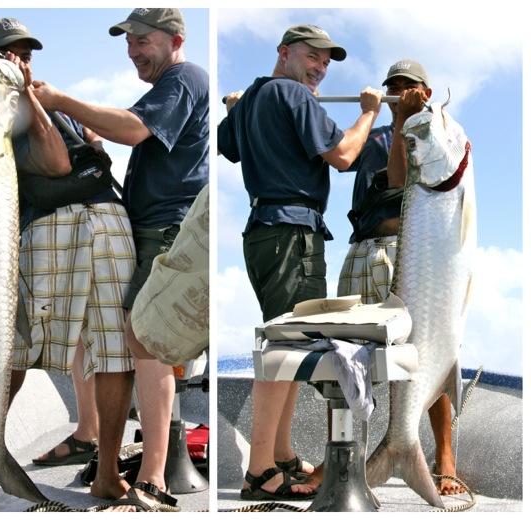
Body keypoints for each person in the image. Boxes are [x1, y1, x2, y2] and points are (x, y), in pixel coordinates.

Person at [0, 17, 136, 502]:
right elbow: (54, 162)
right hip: (51, 221)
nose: (21, 62)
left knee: (116, 348)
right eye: (10, 54)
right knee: (15, 347)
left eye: (27, 54)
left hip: (109, 217)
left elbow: (93, 150)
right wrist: (26, 92)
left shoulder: (49, 101)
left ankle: (108, 472)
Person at [31, 8, 209, 511]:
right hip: (143, 224)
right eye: (127, 42)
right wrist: (90, 137)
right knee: (99, 326)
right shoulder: (168, 85)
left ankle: (154, 475)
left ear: (176, 39)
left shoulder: (184, 78)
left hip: (167, 226)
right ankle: (88, 432)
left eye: (142, 40)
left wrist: (62, 101)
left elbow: (132, 130)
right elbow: (133, 135)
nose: (132, 50)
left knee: (145, 337)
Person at [217, 24, 382, 500]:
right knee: (285, 348)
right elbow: (346, 155)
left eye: (327, 62)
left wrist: (237, 106)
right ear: (284, 52)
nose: (321, 68)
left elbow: (229, 146)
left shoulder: (254, 96)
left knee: (291, 345)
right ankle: (260, 473)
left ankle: (282, 456)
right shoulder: (293, 94)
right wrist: (369, 113)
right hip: (292, 235)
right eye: (313, 56)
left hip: (265, 233)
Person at [337, 59, 463, 496]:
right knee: (350, 356)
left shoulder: (433, 136)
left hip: (408, 254)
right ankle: (350, 461)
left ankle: (444, 454)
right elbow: (336, 158)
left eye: (407, 86)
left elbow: (402, 178)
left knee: (427, 349)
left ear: (425, 93)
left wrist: (408, 123)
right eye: (393, 85)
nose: (398, 91)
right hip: (361, 250)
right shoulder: (368, 133)